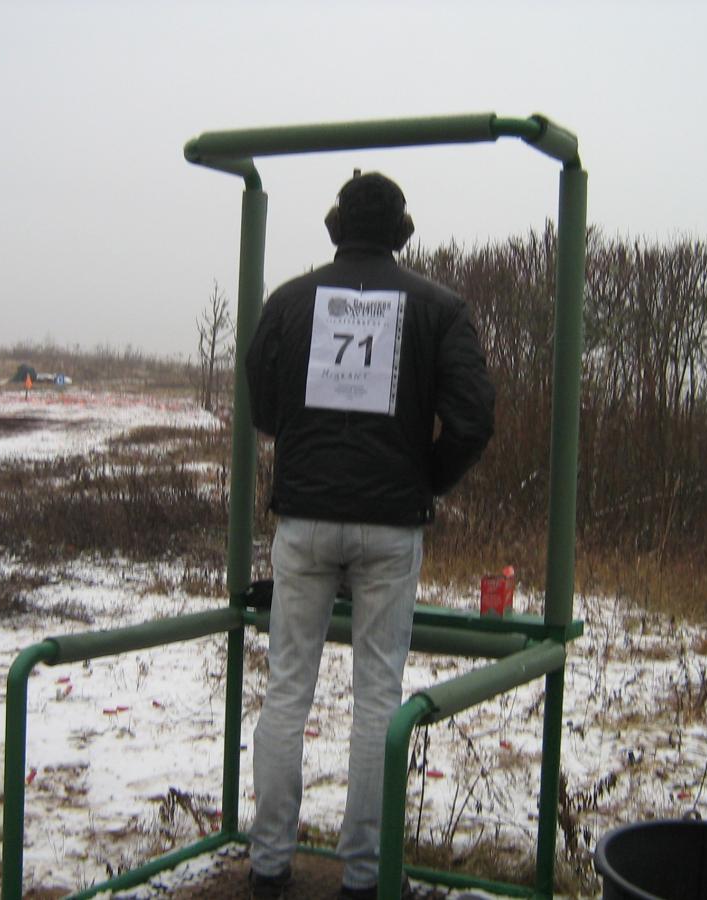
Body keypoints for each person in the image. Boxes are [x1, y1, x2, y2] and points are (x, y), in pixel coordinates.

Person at [244, 171, 496, 899]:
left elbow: (265, 407)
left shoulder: (289, 301)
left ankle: (268, 865)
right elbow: (474, 419)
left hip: (303, 520)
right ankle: (365, 877)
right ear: (402, 232)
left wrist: (312, 447)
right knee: (378, 700)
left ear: (336, 227)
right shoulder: (440, 307)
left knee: (286, 693)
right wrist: (423, 478)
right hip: (390, 530)